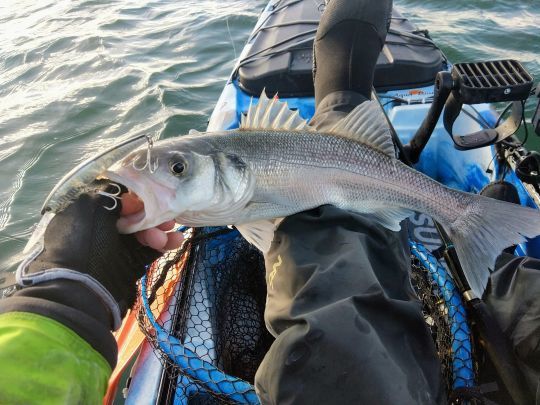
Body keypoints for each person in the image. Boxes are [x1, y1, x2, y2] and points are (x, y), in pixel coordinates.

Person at [0, 0, 539, 404]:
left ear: (232, 170)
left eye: (179, 168)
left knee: (321, 237)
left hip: (350, 180)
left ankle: (347, 110)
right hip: (354, 174)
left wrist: (60, 295)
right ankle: (343, 97)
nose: (170, 176)